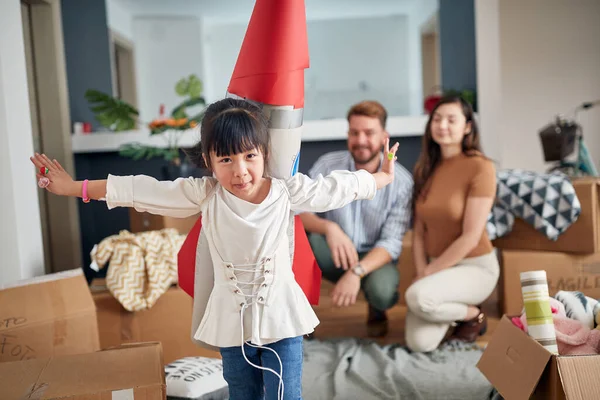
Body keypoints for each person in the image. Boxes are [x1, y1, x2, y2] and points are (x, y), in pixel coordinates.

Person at [31, 98, 400, 400]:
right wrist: (73, 187)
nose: (240, 171)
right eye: (226, 159)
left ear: (264, 153)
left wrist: (381, 176)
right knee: (242, 392)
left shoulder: (288, 191)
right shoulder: (205, 195)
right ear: (208, 160)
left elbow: (338, 186)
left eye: (249, 156)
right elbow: (139, 190)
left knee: (286, 394)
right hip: (231, 319)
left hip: (282, 316)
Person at [299, 100, 413, 337]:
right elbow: (299, 208)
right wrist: (329, 228)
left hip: (373, 258)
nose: (360, 140)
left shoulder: (402, 182)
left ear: (384, 136)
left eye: (369, 133)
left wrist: (356, 272)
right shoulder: (328, 165)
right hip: (333, 250)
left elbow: (391, 243)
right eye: (354, 132)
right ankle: (300, 316)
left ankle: (377, 308)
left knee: (382, 291)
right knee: (297, 241)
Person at [404, 95, 499, 353]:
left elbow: (470, 236)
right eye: (437, 118)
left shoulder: (481, 167)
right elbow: (420, 232)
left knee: (418, 297)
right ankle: (455, 313)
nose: (442, 125)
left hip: (475, 267)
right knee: (419, 344)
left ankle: (472, 315)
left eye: (451, 119)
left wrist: (427, 274)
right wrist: (422, 269)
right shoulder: (425, 168)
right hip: (438, 267)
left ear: (467, 126)